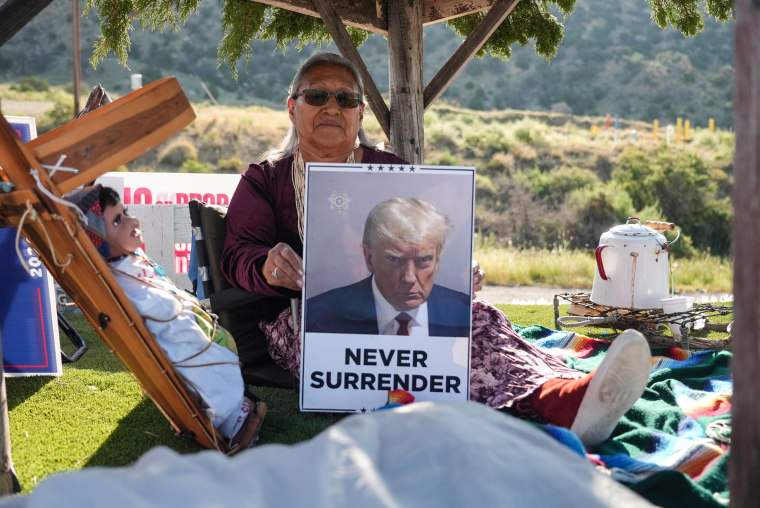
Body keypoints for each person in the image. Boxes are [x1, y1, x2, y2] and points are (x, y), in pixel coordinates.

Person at [221, 52, 652, 449]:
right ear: (292, 107)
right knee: (405, 344)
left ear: (360, 112)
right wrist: (267, 266)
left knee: (476, 319)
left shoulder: (391, 172)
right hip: (308, 319)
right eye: (317, 95)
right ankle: (556, 403)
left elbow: (430, 241)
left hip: (404, 302)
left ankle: (564, 394)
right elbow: (237, 254)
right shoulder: (265, 179)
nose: (332, 107)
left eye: (346, 98)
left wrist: (461, 272)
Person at [65, 184, 266, 453]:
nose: (132, 221)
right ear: (96, 240)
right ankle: (230, 415)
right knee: (216, 369)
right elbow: (161, 309)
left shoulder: (128, 265)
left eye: (125, 213)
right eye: (117, 220)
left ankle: (231, 403)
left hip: (189, 341)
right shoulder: (121, 283)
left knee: (219, 356)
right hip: (183, 353)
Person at [304, 197, 470, 336]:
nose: (410, 277)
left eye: (424, 259)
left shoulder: (469, 317)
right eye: (395, 259)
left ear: (437, 261)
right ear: (369, 258)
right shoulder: (318, 316)